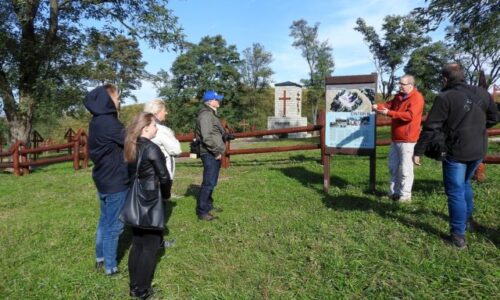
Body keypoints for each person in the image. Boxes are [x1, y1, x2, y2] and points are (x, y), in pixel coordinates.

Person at [413, 64, 498, 249]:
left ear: (445, 79)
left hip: (456, 151)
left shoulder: (445, 97)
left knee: (455, 192)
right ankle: (467, 221)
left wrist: (418, 151)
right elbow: (494, 117)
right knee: (465, 184)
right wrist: (478, 129)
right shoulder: (483, 93)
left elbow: (431, 127)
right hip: (478, 150)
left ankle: (458, 236)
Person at [124, 112, 172, 299]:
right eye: (153, 125)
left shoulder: (130, 145)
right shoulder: (152, 149)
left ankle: (134, 285)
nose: (156, 128)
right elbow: (164, 177)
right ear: (145, 128)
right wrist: (165, 195)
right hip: (150, 199)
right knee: (150, 246)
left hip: (134, 198)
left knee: (138, 243)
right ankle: (141, 290)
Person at [84, 84, 129, 276]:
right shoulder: (110, 123)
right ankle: (111, 268)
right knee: (114, 226)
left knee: (104, 221)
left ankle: (100, 258)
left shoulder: (96, 121)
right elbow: (131, 141)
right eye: (117, 97)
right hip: (115, 181)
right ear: (108, 100)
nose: (119, 100)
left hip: (102, 178)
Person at [372, 75, 424, 202]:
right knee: (393, 167)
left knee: (406, 169)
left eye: (403, 84)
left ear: (411, 85)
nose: (400, 86)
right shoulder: (398, 96)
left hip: (408, 140)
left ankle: (405, 196)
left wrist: (389, 113)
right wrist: (377, 106)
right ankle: (393, 193)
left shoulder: (417, 98)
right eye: (399, 83)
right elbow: (387, 105)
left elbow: (409, 116)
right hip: (395, 139)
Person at [195, 90, 226, 221]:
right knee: (208, 182)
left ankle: (208, 205)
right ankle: (202, 211)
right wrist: (216, 152)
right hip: (210, 153)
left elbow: (213, 132)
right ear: (210, 101)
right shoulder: (206, 115)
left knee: (211, 182)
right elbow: (207, 137)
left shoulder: (211, 114)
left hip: (212, 152)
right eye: (216, 99)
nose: (219, 101)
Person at [143, 99, 182, 186]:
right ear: (157, 112)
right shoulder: (162, 130)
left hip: (146, 172)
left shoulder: (142, 128)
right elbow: (176, 150)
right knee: (161, 197)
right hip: (163, 172)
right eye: (164, 110)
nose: (166, 113)